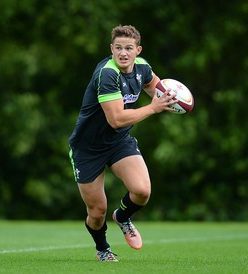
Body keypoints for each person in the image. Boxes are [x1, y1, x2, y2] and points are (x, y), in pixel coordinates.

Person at [68, 25, 177, 262]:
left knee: (142, 191)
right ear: (111, 49)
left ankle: (123, 216)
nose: (123, 53)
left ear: (138, 50)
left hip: (118, 142)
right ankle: (103, 250)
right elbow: (116, 119)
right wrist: (152, 108)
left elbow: (155, 88)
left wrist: (174, 98)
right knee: (97, 212)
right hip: (88, 148)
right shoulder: (107, 74)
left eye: (128, 48)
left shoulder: (142, 68)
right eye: (118, 48)